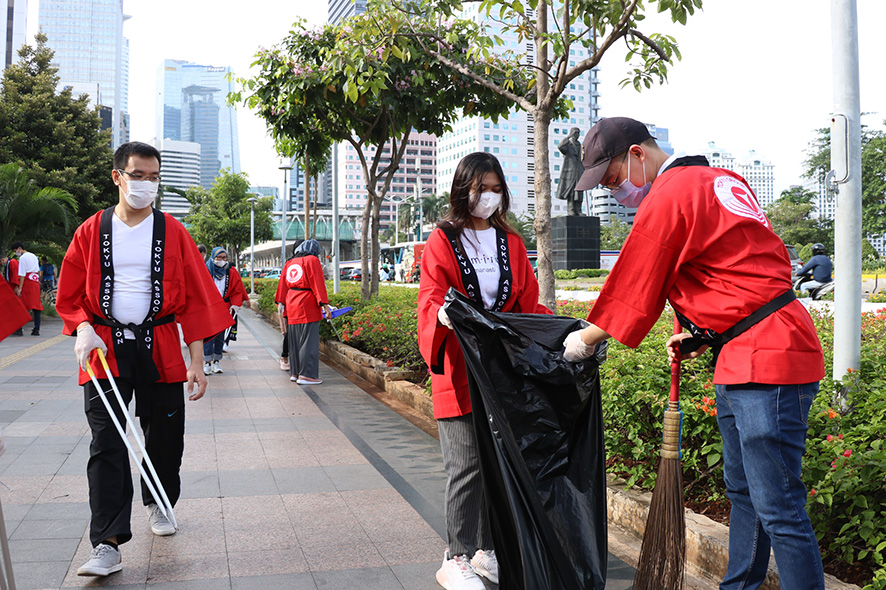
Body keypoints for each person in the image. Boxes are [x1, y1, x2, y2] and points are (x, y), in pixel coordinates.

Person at [562, 117, 826, 590]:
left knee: (780, 507)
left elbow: (638, 277)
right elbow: (737, 269)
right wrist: (702, 332)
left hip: (765, 356)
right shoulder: (722, 180)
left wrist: (586, 338)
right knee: (745, 493)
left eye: (613, 177)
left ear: (638, 154)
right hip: (752, 346)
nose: (614, 189)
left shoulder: (672, 193)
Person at [55, 141, 233, 578]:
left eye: (154, 178)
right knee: (107, 444)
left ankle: (158, 501)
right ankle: (107, 542)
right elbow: (70, 292)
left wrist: (196, 359)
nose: (147, 185)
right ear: (117, 177)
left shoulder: (173, 231)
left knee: (165, 437)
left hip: (161, 346)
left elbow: (193, 297)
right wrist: (82, 328)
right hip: (104, 351)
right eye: (138, 176)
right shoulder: (90, 231)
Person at [417, 152, 551, 590]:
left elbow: (527, 302)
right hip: (458, 366)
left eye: (496, 189)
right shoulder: (443, 239)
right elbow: (433, 295)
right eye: (481, 189)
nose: (489, 197)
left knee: (498, 462)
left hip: (499, 372)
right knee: (467, 465)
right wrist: (441, 315)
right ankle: (454, 556)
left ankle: (486, 550)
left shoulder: (510, 242)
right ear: (463, 190)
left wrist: (561, 330)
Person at [274, 239, 330, 385]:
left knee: (294, 340)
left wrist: (281, 303)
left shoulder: (290, 262)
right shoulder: (312, 260)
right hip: (307, 303)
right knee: (308, 341)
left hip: (291, 302)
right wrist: (325, 305)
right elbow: (317, 283)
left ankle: (295, 372)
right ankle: (307, 375)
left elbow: (282, 286)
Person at [202, 247, 248, 375]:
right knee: (208, 336)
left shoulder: (231, 272)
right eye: (219, 257)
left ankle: (217, 361)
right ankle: (207, 363)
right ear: (213, 257)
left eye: (224, 258)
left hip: (224, 307)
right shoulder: (205, 270)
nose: (222, 260)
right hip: (209, 307)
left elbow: (237, 290)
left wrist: (235, 305)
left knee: (220, 336)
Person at [10, 241, 43, 336]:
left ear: (19, 248)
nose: (16, 252)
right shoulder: (34, 256)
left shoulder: (23, 258)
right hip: (35, 283)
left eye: (15, 250)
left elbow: (22, 275)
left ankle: (19, 330)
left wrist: (20, 288)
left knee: (21, 307)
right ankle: (36, 329)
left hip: (27, 284)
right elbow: (38, 271)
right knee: (36, 307)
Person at [555, 127, 586, 216]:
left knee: (579, 191)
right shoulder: (568, 144)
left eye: (578, 133)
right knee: (571, 192)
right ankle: (571, 210)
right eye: (575, 132)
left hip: (579, 171)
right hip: (570, 171)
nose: (577, 135)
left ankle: (578, 210)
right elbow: (560, 146)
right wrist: (568, 137)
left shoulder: (580, 146)